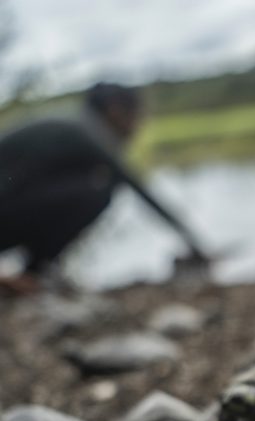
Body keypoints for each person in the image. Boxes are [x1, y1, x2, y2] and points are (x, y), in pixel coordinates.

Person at [0, 82, 209, 293]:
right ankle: (33, 273)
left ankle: (34, 273)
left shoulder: (75, 125)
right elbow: (137, 185)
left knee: (92, 184)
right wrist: (196, 243)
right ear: (115, 111)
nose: (137, 127)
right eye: (137, 117)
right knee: (100, 190)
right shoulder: (88, 130)